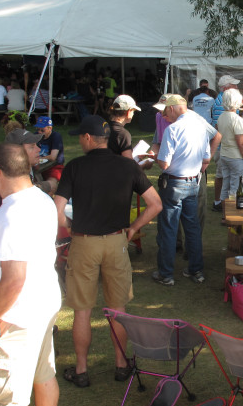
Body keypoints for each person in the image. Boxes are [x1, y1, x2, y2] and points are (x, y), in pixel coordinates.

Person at [54, 115, 162, 387]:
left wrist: (70, 224)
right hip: (116, 241)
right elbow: (155, 204)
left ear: (89, 139)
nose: (80, 140)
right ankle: (121, 363)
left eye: (81, 136)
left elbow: (56, 211)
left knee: (82, 311)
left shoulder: (74, 166)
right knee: (117, 308)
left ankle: (81, 369)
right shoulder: (128, 166)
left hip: (83, 242)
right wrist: (133, 228)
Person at [0, 143, 61, 406]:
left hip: (14, 318)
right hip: (41, 305)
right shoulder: (40, 199)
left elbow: (14, 279)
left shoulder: (12, 215)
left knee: (7, 399)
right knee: (43, 375)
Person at [151, 94, 212, 286]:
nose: (163, 116)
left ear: (171, 108)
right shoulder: (200, 128)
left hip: (174, 183)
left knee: (169, 227)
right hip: (193, 182)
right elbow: (206, 158)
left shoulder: (173, 129)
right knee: (192, 227)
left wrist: (153, 157)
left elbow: (164, 163)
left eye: (164, 112)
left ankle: (166, 274)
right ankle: (196, 270)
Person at [212, 75, 242, 210]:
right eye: (233, 85)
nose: (236, 87)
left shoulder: (222, 102)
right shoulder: (221, 103)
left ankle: (220, 204)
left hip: (224, 147)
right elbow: (222, 128)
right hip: (224, 148)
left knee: (225, 178)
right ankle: (219, 203)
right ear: (225, 88)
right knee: (224, 178)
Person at [216, 89, 243, 203]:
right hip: (236, 157)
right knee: (236, 187)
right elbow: (241, 143)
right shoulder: (236, 119)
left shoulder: (221, 117)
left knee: (226, 184)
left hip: (224, 154)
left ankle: (224, 212)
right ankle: (233, 213)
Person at [36, 116, 65, 194]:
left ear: (50, 128)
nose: (39, 132)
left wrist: (38, 158)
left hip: (54, 166)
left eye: (42, 130)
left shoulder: (56, 136)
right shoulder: (36, 136)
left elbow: (53, 157)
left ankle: (48, 198)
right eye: (38, 129)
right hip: (39, 166)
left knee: (52, 183)